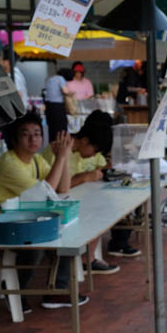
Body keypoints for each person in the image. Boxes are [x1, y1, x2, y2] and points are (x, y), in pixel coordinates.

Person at [0, 111, 88, 312]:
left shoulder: (35, 160)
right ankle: (15, 291)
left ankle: (57, 290)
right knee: (37, 243)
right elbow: (43, 194)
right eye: (25, 134)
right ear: (14, 139)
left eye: (37, 133)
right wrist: (61, 156)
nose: (33, 139)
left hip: (15, 220)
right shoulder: (9, 164)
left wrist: (64, 156)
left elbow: (63, 188)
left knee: (64, 234)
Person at [39, 113, 120, 274]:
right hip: (51, 205)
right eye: (94, 150)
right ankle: (83, 260)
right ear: (85, 140)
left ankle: (87, 258)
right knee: (97, 213)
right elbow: (55, 189)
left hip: (71, 200)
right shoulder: (59, 150)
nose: (94, 155)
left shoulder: (79, 151)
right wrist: (84, 177)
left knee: (103, 209)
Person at [44, 68, 72, 140]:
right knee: (61, 129)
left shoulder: (50, 79)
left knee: (52, 129)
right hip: (58, 107)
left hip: (49, 107)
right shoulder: (61, 78)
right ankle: (61, 144)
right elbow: (65, 91)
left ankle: (52, 144)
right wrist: (72, 94)